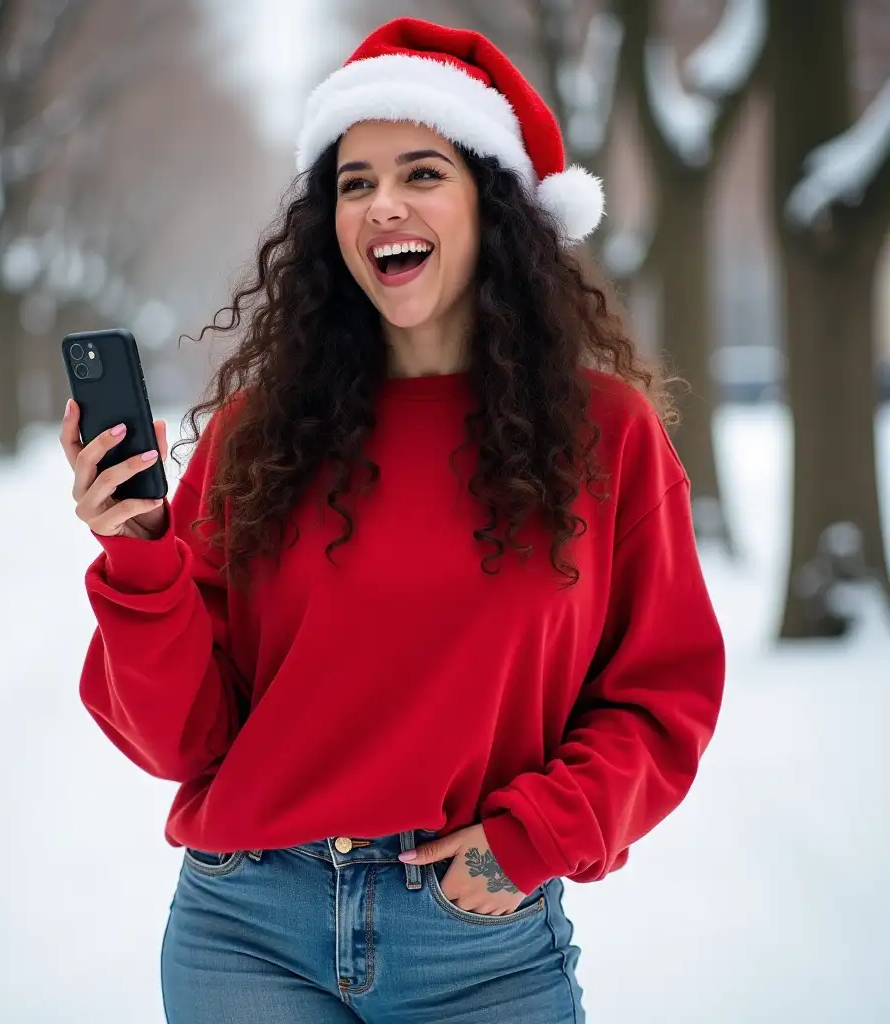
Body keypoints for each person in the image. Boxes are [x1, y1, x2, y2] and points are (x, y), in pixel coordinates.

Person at [61, 17, 725, 1024]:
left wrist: (535, 834)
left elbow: (663, 696)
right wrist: (142, 557)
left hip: (475, 950)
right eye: (354, 182)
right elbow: (181, 740)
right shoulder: (258, 436)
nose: (382, 206)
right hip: (244, 927)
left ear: (492, 206)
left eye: (421, 172)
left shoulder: (605, 435)